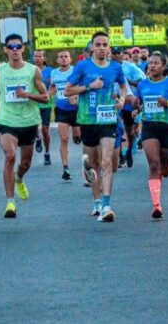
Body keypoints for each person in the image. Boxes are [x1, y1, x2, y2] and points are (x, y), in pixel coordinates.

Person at [0, 34, 49, 218]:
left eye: (17, 46)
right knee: (10, 156)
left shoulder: (33, 70)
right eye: (10, 47)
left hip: (28, 121)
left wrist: (27, 95)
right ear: (5, 50)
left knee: (25, 163)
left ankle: (19, 178)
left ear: (23, 49)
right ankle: (10, 203)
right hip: (7, 120)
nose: (14, 50)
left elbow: (45, 97)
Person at [65, 31, 127, 222]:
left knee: (107, 162)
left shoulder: (116, 68)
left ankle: (107, 205)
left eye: (104, 45)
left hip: (108, 120)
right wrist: (89, 86)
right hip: (87, 120)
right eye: (98, 45)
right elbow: (68, 90)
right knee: (94, 164)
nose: (101, 48)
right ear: (92, 47)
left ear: (109, 47)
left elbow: (123, 86)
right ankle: (97, 201)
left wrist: (122, 100)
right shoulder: (83, 66)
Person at [131, 52, 168, 220]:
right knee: (154, 164)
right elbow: (139, 103)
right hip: (149, 128)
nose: (152, 66)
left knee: (166, 170)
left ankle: (158, 183)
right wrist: (136, 108)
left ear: (163, 66)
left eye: (156, 63)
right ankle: (157, 205)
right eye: (150, 63)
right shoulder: (142, 85)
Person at [49, 50, 81, 181]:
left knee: (77, 138)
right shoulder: (54, 73)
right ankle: (65, 167)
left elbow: (82, 86)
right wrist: (47, 94)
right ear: (57, 60)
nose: (63, 59)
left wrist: (77, 97)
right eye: (60, 57)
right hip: (61, 109)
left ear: (70, 59)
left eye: (65, 57)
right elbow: (52, 87)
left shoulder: (75, 71)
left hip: (75, 109)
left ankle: (77, 135)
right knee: (64, 138)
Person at [33, 50, 53, 165]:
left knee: (45, 130)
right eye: (35, 56)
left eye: (40, 56)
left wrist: (48, 94)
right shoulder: (30, 70)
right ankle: (37, 138)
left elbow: (53, 85)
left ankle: (47, 153)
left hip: (46, 103)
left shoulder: (50, 71)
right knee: (34, 126)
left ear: (44, 58)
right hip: (33, 103)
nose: (37, 58)